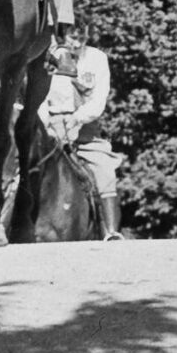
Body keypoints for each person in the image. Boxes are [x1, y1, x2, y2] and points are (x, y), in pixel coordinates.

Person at [41, 34, 125, 240]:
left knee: (105, 170)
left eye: (82, 36)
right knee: (18, 171)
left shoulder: (97, 59)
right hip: (50, 129)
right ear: (61, 34)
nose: (77, 42)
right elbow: (39, 97)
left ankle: (110, 233)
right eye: (72, 36)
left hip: (85, 129)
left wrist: (77, 118)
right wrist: (46, 126)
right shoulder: (47, 57)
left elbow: (98, 101)